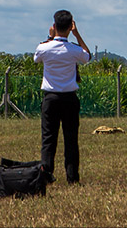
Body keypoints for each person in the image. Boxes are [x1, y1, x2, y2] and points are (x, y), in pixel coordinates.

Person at [34, 10, 90, 184]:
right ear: (70, 26)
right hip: (69, 98)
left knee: (48, 138)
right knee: (71, 139)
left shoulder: (44, 48)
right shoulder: (74, 50)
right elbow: (87, 56)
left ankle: (47, 174)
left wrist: (50, 38)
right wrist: (77, 34)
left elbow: (36, 59)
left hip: (50, 98)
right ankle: (72, 177)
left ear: (54, 26)